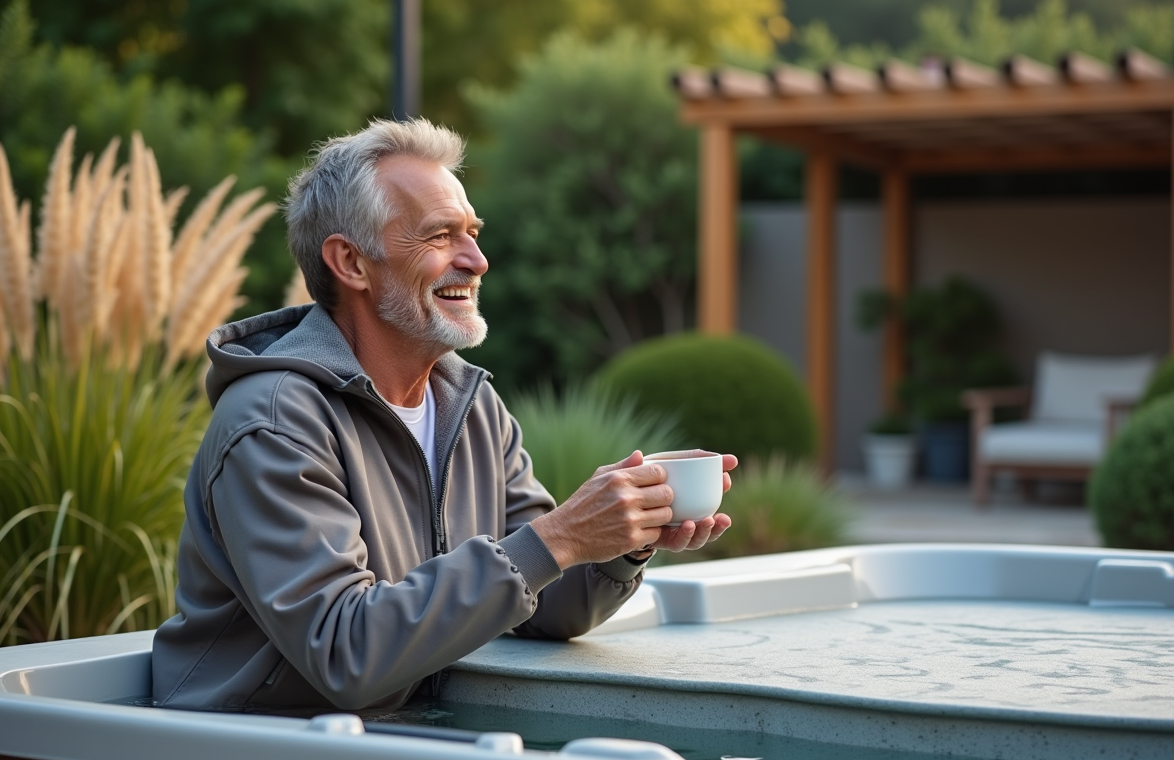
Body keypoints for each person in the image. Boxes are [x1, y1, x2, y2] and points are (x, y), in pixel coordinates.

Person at [151, 118, 736, 713]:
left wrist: (621, 538)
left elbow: (548, 604)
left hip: (399, 738)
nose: (477, 260)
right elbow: (345, 651)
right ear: (350, 262)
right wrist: (558, 537)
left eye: (473, 232)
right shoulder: (275, 421)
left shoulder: (470, 404)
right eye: (440, 236)